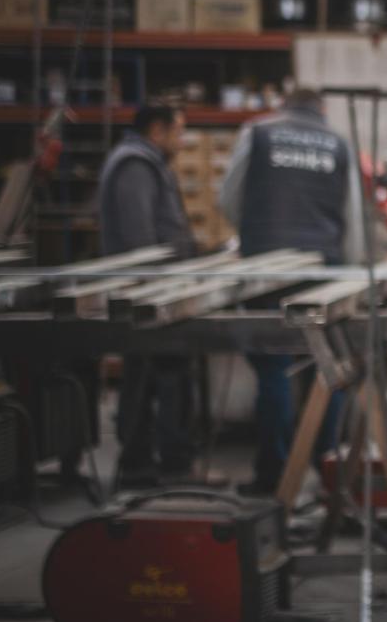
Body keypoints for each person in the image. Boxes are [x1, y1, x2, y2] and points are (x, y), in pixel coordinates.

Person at [220, 87, 365, 497]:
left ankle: (274, 476)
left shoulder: (258, 133)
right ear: (321, 109)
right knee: (326, 369)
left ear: (284, 104)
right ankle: (328, 467)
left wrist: (254, 234)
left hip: (265, 268)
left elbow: (229, 199)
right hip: (322, 268)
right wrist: (348, 270)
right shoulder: (338, 144)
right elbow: (351, 214)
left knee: (273, 370)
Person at [96, 102, 202, 487]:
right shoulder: (134, 165)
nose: (183, 139)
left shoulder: (146, 162)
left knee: (159, 374)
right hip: (148, 293)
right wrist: (158, 288)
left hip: (159, 289)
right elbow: (139, 239)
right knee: (157, 376)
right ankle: (157, 465)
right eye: (178, 131)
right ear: (157, 130)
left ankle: (156, 462)